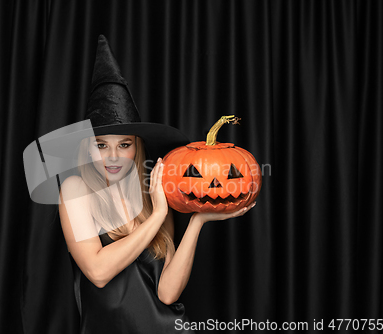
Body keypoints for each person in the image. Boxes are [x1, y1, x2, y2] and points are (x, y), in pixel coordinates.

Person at [56, 35, 255, 334]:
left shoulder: (153, 194)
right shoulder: (75, 189)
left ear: (137, 148)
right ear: (87, 148)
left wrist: (197, 222)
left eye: (124, 144)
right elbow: (97, 272)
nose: (113, 156)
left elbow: (167, 294)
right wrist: (159, 215)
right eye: (101, 145)